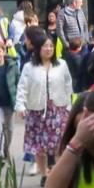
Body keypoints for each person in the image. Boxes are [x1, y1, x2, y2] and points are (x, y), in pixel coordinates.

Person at [17, 34, 73, 178]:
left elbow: (68, 85)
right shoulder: (29, 67)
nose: (48, 49)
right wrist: (21, 106)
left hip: (58, 110)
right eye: (45, 46)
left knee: (58, 145)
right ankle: (45, 175)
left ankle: (58, 175)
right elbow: (22, 87)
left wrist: (69, 105)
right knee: (39, 147)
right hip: (37, 111)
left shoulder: (62, 65)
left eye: (51, 46)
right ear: (38, 49)